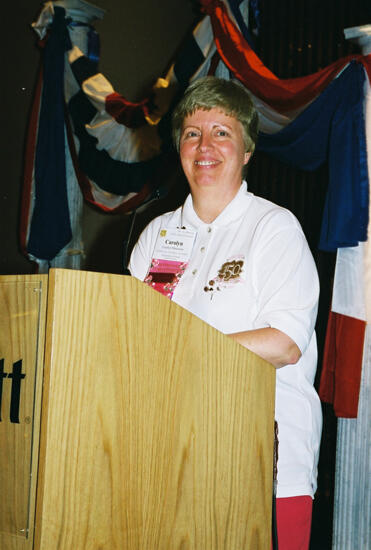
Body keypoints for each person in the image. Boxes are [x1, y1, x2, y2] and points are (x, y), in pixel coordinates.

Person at [129, 76, 322, 550]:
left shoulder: (273, 228)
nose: (205, 145)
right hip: (170, 456)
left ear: (247, 150)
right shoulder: (156, 234)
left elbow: (284, 342)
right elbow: (128, 336)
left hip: (266, 465)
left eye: (222, 132)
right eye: (192, 133)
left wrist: (181, 351)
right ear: (179, 148)